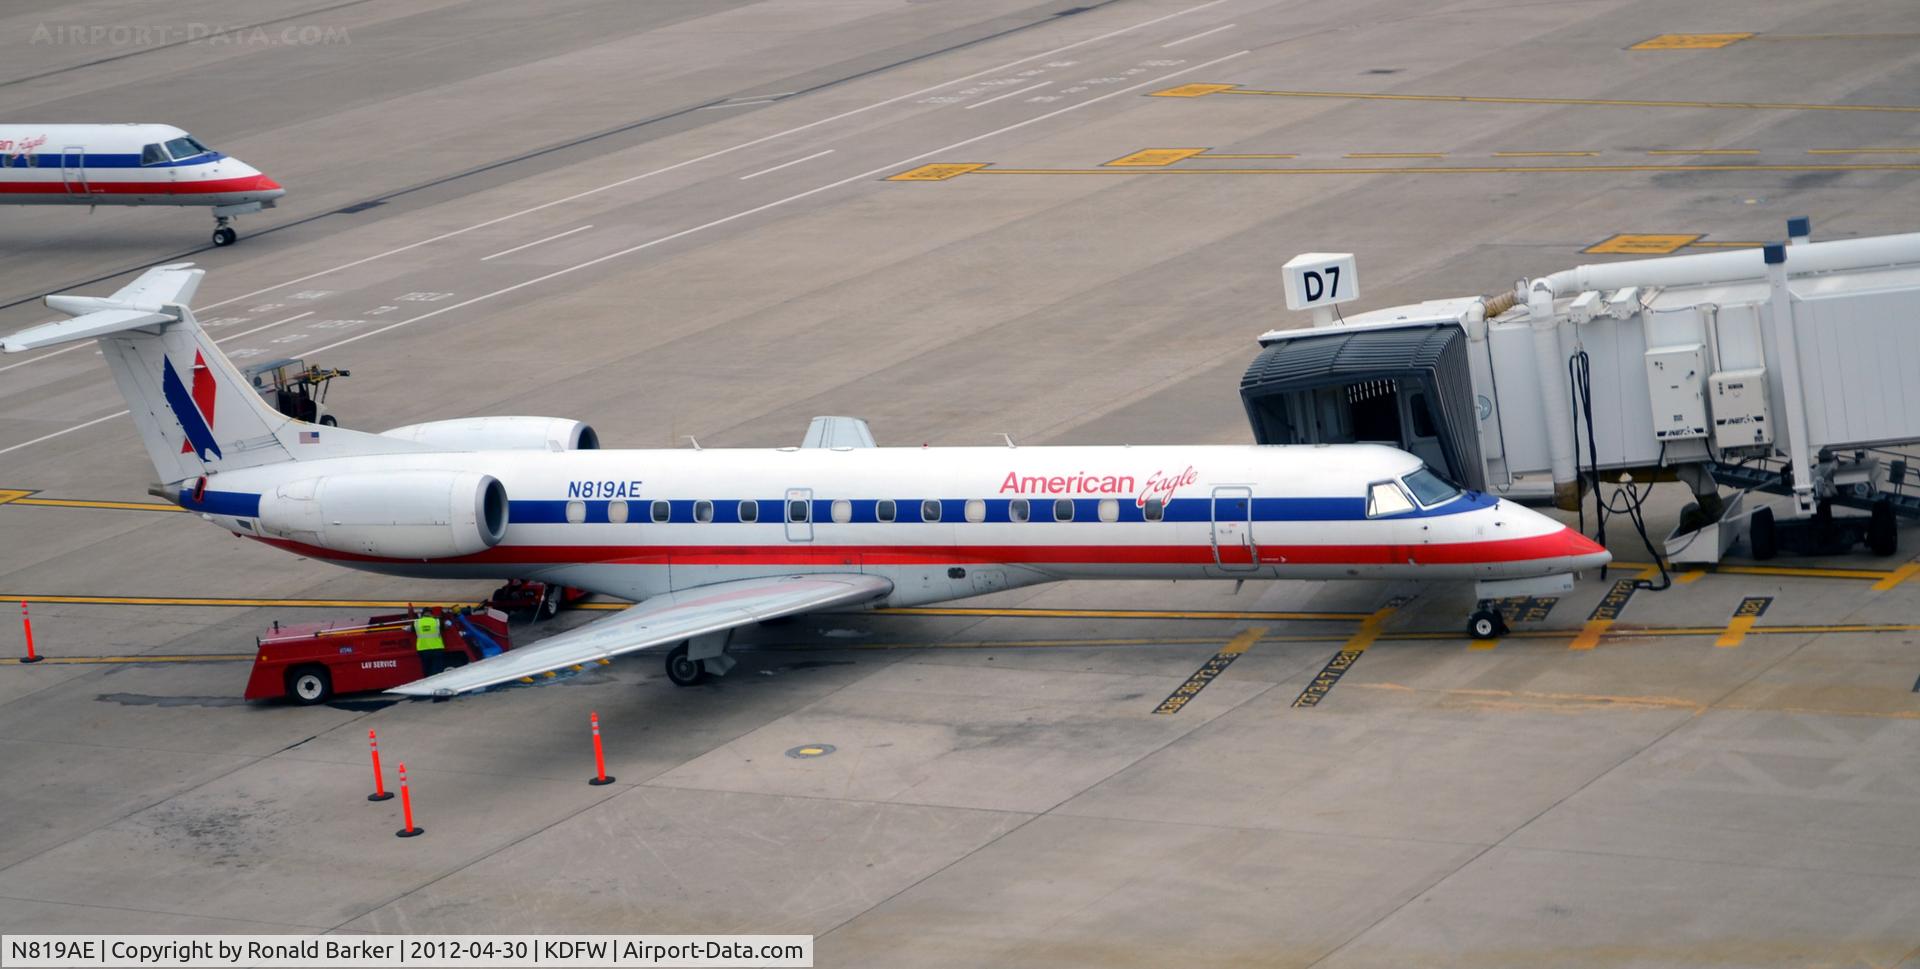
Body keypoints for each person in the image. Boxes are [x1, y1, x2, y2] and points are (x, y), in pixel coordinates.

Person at [414, 608, 446, 677]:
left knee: (427, 670)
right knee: (437, 671)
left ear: (422, 614)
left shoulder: (416, 622)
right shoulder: (437, 621)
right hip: (437, 649)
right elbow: (444, 627)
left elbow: (411, 629)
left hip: (423, 650)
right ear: (431, 614)